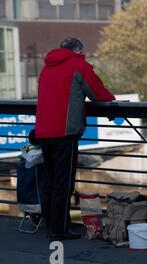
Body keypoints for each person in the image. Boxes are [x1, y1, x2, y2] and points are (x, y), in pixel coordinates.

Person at [35, 37, 115, 241]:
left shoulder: (46, 68)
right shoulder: (78, 66)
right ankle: (59, 229)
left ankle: (50, 223)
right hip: (65, 133)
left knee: (50, 180)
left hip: (44, 131)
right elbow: (97, 92)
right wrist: (112, 101)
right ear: (78, 51)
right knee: (64, 181)